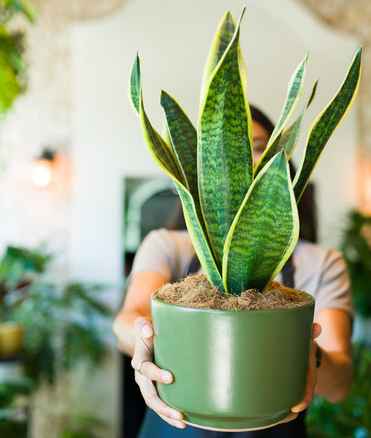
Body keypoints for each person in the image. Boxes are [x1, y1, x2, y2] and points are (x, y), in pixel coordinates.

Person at [113, 106, 354, 438]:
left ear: (280, 164)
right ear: (203, 171)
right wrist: (142, 343)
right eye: (224, 157)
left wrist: (310, 354)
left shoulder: (322, 262)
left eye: (257, 148)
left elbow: (340, 385)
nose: (243, 165)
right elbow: (130, 317)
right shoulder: (168, 245)